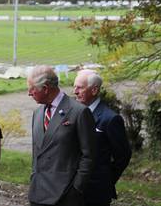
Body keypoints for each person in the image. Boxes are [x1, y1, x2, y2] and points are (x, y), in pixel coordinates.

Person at [27, 65, 96, 206]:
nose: (29, 93)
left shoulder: (79, 112)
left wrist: (76, 189)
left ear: (45, 88)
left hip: (64, 196)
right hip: (38, 194)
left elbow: (89, 155)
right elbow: (37, 152)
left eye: (32, 89)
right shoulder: (38, 113)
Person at [74, 70, 132, 206]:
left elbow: (123, 155)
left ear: (94, 90)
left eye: (80, 87)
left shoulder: (110, 119)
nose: (75, 91)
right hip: (71, 189)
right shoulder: (73, 112)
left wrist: (105, 180)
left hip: (96, 192)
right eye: (74, 86)